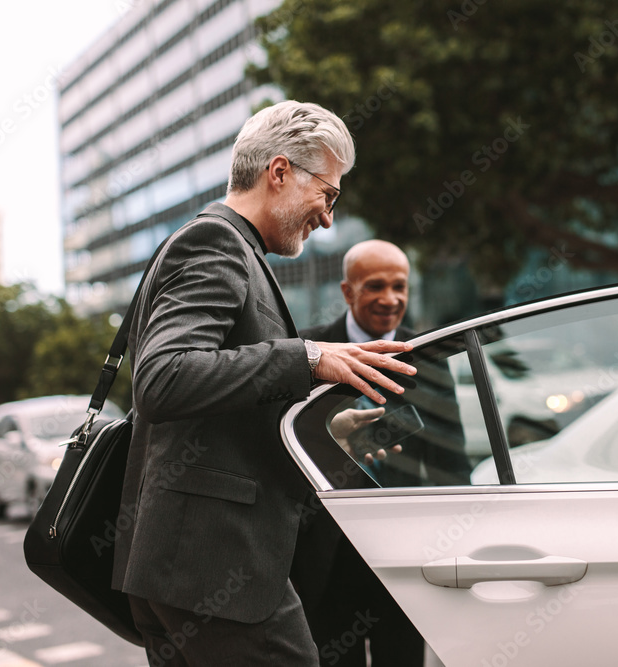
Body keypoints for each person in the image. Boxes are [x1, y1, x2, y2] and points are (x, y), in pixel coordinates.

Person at [112, 101, 416, 667]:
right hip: (214, 567)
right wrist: (308, 356)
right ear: (278, 173)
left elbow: (213, 407)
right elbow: (163, 378)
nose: (327, 217)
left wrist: (326, 428)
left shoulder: (232, 248)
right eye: (327, 193)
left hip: (188, 567)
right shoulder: (217, 244)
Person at [292, 240, 470, 666]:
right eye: (375, 286)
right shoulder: (307, 351)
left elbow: (451, 461)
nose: (390, 300)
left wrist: (457, 539)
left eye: (399, 286)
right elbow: (284, 451)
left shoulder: (427, 354)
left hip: (403, 557)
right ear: (347, 291)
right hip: (326, 561)